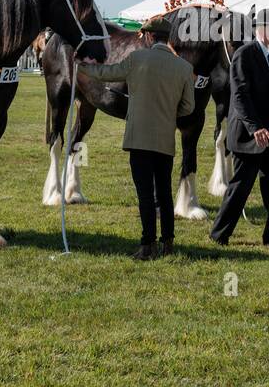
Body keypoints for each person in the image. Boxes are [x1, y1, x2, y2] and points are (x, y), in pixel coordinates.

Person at [79, 15, 195, 259]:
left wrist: (84, 66)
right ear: (168, 38)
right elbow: (188, 108)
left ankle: (147, 244)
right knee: (163, 192)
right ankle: (168, 243)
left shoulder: (137, 59)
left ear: (150, 36)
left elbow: (107, 73)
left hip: (139, 139)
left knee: (145, 194)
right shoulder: (184, 68)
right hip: (165, 139)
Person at [210, 7, 269, 245]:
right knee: (240, 188)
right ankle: (219, 235)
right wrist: (255, 127)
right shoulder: (245, 54)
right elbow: (240, 96)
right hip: (250, 136)